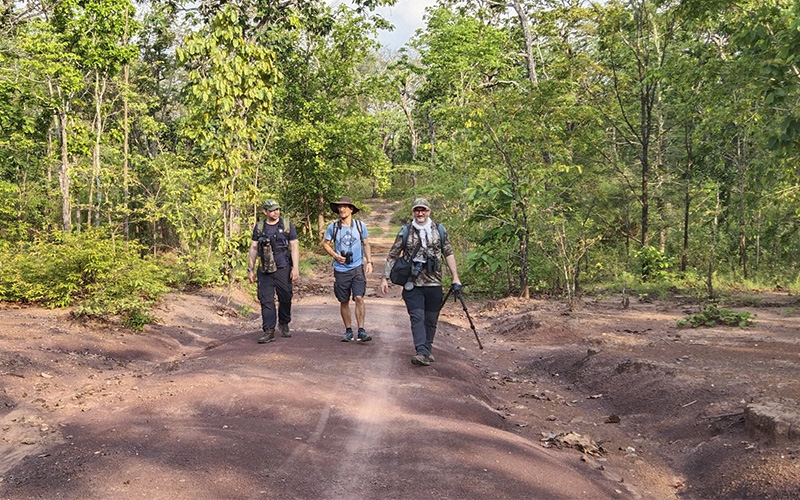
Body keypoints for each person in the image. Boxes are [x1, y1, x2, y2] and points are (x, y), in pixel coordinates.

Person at [379, 198, 461, 366]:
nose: (420, 213)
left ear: (429, 211)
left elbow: (449, 253)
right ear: (413, 212)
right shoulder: (405, 232)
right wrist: (384, 278)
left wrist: (455, 277)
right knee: (417, 316)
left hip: (434, 282)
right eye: (417, 210)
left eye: (423, 210)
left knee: (431, 318)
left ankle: (427, 349)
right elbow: (393, 255)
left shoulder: (439, 230)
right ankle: (421, 351)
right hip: (412, 283)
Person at [322, 196, 373, 343]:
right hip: (341, 269)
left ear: (351, 209)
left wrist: (369, 261)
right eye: (340, 207)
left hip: (357, 267)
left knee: (359, 297)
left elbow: (366, 244)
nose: (341, 209)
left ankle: (362, 330)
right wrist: (335, 255)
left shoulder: (360, 225)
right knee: (343, 301)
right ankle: (348, 330)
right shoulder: (333, 227)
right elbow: (325, 243)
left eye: (345, 206)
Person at [248, 199, 300, 344]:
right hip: (264, 269)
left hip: (283, 267)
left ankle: (284, 322)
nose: (275, 212)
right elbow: (253, 248)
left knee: (285, 297)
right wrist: (250, 269)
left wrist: (295, 267)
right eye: (272, 210)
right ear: (265, 212)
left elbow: (294, 245)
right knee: (266, 300)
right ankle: (268, 330)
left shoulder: (287, 225)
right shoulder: (259, 227)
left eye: (277, 209)